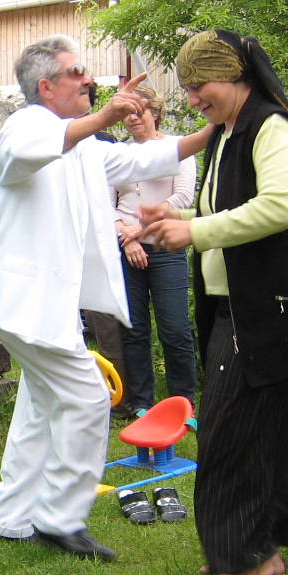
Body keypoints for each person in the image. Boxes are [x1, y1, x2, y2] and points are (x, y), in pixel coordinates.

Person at [145, 30, 288, 575]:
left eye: (199, 86)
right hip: (245, 304)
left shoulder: (271, 126)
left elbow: (279, 208)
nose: (193, 98)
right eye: (188, 88)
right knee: (266, 430)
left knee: (232, 429)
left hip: (280, 308)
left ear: (233, 75)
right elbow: (223, 208)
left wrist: (194, 231)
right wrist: (174, 218)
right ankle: (252, 543)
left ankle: (248, 553)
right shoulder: (228, 134)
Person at [0, 36, 212, 559]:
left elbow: (144, 159)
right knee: (87, 397)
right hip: (25, 303)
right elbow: (35, 150)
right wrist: (106, 114)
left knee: (40, 408)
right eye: (76, 71)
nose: (88, 78)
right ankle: (59, 518)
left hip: (42, 307)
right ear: (46, 86)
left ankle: (7, 517)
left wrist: (214, 129)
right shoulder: (24, 126)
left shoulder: (84, 147)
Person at [113, 85, 197, 415]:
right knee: (134, 331)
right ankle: (141, 405)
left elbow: (182, 198)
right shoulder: (118, 154)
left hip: (165, 247)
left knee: (175, 329)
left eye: (139, 111)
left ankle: (183, 404)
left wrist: (142, 229)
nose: (133, 118)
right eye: (127, 113)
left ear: (155, 113)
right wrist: (128, 237)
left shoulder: (177, 147)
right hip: (126, 249)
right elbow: (106, 203)